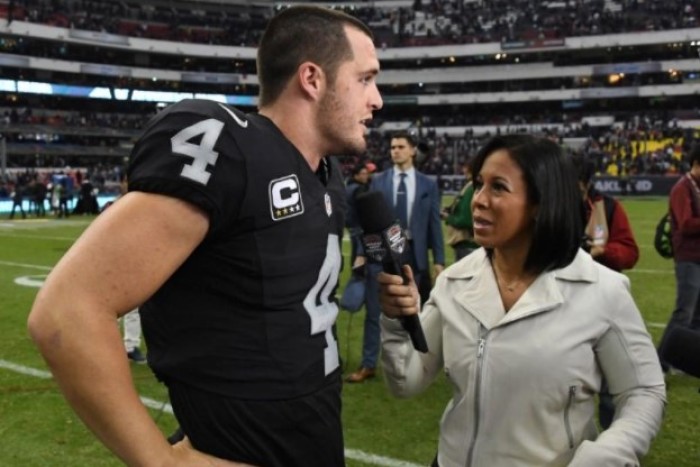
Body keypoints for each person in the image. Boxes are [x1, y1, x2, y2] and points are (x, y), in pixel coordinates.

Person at [27, 6, 382, 467]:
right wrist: (161, 462)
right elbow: (64, 314)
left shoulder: (325, 175)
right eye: (365, 79)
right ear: (312, 79)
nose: (376, 100)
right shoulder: (231, 148)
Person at [377, 134, 665, 466]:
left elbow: (644, 391)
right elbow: (407, 381)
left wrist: (606, 454)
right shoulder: (455, 282)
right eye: (478, 184)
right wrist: (398, 323)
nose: (478, 199)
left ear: (541, 202)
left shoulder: (602, 290)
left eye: (498, 187)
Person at [346, 131, 445, 383]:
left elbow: (434, 224)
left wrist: (439, 260)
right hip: (381, 253)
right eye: (392, 147)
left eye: (401, 146)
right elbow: (367, 222)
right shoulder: (378, 180)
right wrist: (361, 255)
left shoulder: (428, 184)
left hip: (413, 252)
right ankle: (368, 363)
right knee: (374, 311)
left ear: (412, 150)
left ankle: (418, 361)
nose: (395, 151)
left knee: (416, 309)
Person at [572, 153, 640, 429]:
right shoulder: (545, 207)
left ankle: (613, 445)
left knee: (612, 387)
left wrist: (602, 251)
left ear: (586, 184)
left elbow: (630, 253)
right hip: (562, 303)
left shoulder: (608, 208)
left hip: (603, 303)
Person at [658, 144, 700, 372]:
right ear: (696, 164)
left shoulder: (697, 186)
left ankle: (688, 361)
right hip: (688, 257)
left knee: (698, 314)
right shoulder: (682, 188)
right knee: (684, 311)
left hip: (698, 256)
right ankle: (660, 362)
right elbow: (685, 224)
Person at [441, 159, 478, 262]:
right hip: (469, 244)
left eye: (466, 167)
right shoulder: (471, 186)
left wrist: (447, 217)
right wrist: (450, 210)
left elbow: (465, 220)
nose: (463, 170)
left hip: (467, 243)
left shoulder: (471, 189)